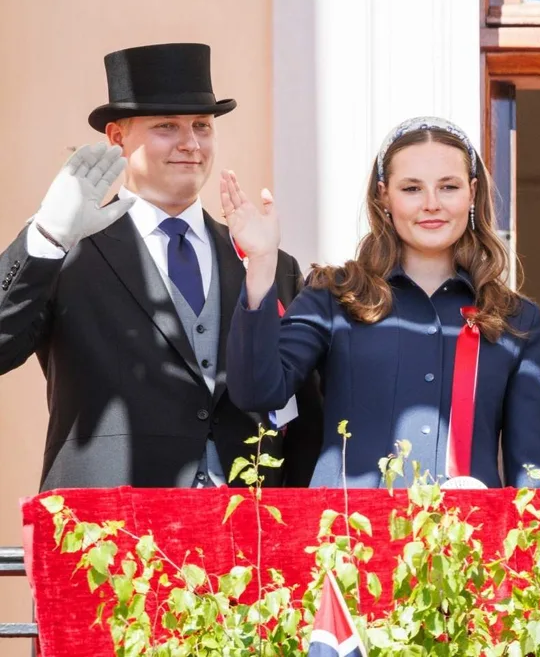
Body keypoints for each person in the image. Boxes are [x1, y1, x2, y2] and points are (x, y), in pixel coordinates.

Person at [0, 43, 321, 489]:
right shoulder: (65, 250)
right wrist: (47, 237)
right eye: (167, 127)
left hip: (249, 534)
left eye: (201, 126)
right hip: (106, 535)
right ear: (117, 137)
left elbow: (304, 417)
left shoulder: (270, 261)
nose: (190, 143)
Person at [224, 116, 540, 488]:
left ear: (472, 192)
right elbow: (256, 391)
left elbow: (533, 473)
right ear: (384, 195)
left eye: (448, 187)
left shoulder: (516, 318)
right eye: (412, 188)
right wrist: (263, 261)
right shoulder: (333, 295)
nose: (432, 204)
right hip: (346, 539)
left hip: (469, 542)